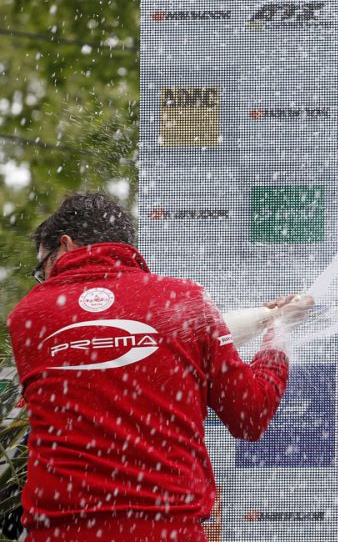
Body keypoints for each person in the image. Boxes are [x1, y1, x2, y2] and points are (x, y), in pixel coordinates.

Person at [6, 193, 312, 541]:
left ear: (66, 244)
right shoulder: (183, 301)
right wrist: (277, 337)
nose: (43, 279)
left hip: (60, 532)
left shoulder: (28, 317)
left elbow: (105, 359)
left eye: (41, 267)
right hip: (167, 529)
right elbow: (249, 414)